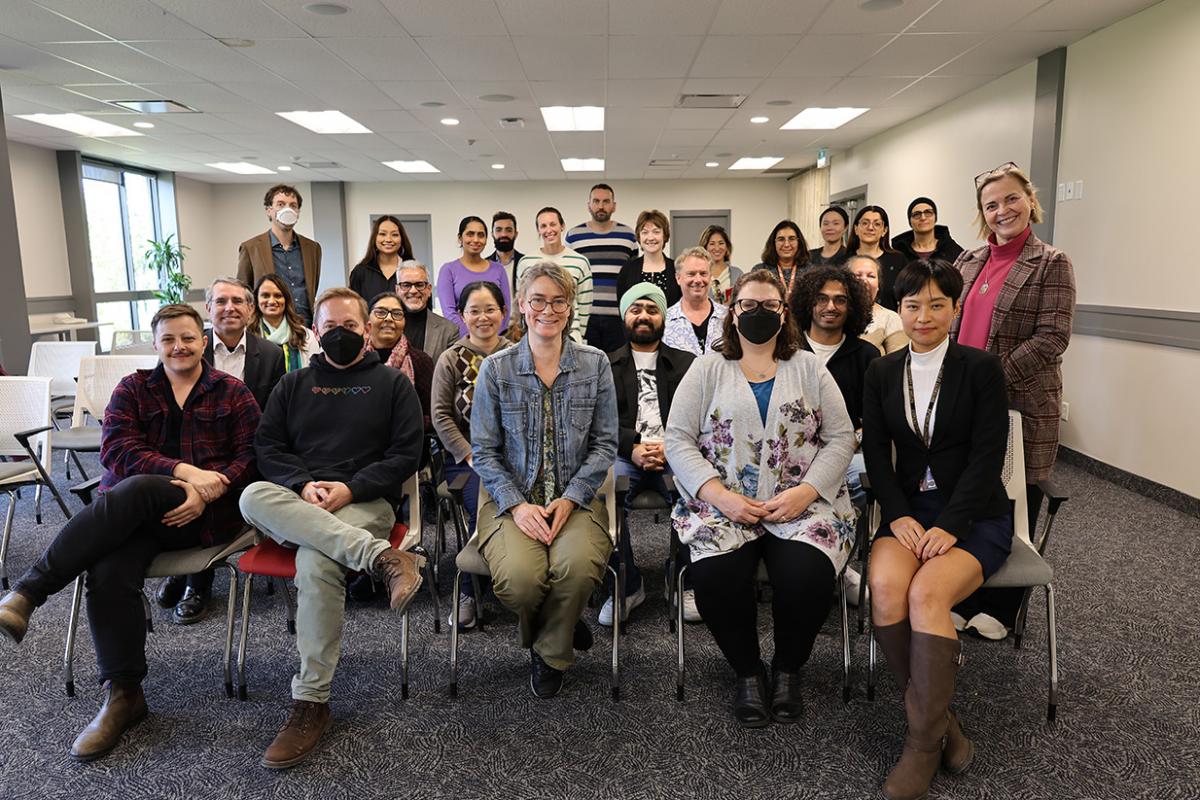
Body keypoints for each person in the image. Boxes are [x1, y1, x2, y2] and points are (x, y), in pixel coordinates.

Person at [0, 304, 260, 761]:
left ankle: (29, 592)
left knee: (136, 489)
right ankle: (124, 696)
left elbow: (252, 458)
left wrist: (206, 492)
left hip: (204, 522)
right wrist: (183, 473)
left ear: (203, 341)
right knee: (108, 565)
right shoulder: (133, 388)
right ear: (155, 345)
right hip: (137, 520)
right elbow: (117, 450)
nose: (178, 347)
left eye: (187, 337)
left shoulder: (233, 393)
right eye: (167, 339)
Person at [238, 287, 426, 769]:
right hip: (302, 499)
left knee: (317, 558)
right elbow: (269, 449)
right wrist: (303, 487)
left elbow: (407, 455)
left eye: (350, 326)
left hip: (364, 502)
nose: (340, 334)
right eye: (331, 327)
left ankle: (310, 702)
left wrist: (350, 488)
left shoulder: (391, 384)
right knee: (251, 495)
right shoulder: (293, 384)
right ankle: (381, 559)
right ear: (315, 331)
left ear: (366, 329)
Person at [665, 270, 857, 729]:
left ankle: (788, 669)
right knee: (713, 580)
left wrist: (807, 491)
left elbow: (840, 437)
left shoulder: (809, 367)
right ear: (733, 314)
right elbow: (678, 440)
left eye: (769, 306)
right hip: (725, 505)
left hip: (802, 505)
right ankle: (748, 673)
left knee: (808, 579)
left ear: (784, 313)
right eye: (748, 305)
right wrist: (719, 496)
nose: (758, 313)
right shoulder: (707, 368)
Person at [861, 260, 1012, 800]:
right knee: (885, 589)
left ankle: (921, 747)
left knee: (927, 593)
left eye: (936, 305)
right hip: (907, 509)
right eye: (912, 305)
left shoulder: (980, 369)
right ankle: (942, 723)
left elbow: (987, 455)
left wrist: (952, 524)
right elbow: (876, 455)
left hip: (974, 514)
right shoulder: (881, 371)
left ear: (954, 307)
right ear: (898, 310)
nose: (923, 316)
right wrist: (896, 512)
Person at [470, 262, 617, 699]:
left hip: (578, 500)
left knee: (574, 571)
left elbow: (605, 445)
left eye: (558, 301)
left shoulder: (595, 364)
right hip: (509, 501)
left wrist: (571, 499)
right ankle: (565, 625)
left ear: (570, 308)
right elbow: (484, 452)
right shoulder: (495, 370)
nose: (547, 310)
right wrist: (517, 505)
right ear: (521, 304)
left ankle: (550, 649)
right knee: (519, 579)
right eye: (538, 299)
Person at [950, 162, 1076, 640]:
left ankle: (1001, 608)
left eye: (1010, 199)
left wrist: (988, 379)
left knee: (1012, 498)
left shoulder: (1052, 262)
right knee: (967, 494)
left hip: (1021, 404)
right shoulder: (967, 261)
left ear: (1029, 200)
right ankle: (963, 593)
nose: (1002, 210)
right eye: (991, 204)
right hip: (965, 404)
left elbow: (1052, 338)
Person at [154, 277, 285, 626]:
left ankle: (196, 581)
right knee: (180, 484)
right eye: (221, 301)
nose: (230, 308)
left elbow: (271, 418)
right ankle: (183, 571)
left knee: (206, 487)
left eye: (238, 301)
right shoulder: (189, 348)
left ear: (250, 310)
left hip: (242, 454)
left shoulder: (271, 354)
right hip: (191, 455)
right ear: (208, 310)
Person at [604, 283, 696, 626]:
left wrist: (670, 446)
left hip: (677, 451)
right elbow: (600, 420)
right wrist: (633, 446)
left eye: (651, 309)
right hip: (626, 453)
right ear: (624, 316)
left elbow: (697, 417)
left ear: (663, 317)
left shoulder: (687, 364)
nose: (643, 315)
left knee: (695, 493)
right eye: (635, 309)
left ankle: (684, 579)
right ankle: (626, 586)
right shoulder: (605, 364)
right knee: (603, 497)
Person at [431, 281, 514, 629]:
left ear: (503, 312)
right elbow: (440, 414)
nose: (483, 317)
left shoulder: (517, 354)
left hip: (513, 455)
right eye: (474, 311)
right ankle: (468, 588)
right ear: (462, 315)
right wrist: (468, 454)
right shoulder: (451, 358)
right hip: (466, 459)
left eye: (490, 309)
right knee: (486, 503)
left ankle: (515, 575)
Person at [565, 183, 638, 353]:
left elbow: (633, 277)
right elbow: (568, 278)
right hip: (586, 316)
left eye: (606, 201)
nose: (601, 206)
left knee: (618, 367)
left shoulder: (628, 236)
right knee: (588, 367)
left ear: (614, 205)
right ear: (588, 205)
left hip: (618, 317)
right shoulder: (574, 236)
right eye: (596, 201)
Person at [237, 184, 322, 326]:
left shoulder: (312, 248)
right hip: (267, 325)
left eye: (293, 205)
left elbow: (313, 287)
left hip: (305, 324)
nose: (288, 209)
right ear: (269, 211)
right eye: (281, 204)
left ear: (298, 212)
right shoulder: (251, 248)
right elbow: (243, 292)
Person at [517, 207, 592, 343]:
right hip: (535, 335)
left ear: (562, 226)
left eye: (553, 224)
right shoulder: (525, 263)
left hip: (571, 335)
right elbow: (522, 301)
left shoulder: (580, 262)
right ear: (538, 230)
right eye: (543, 226)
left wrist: (578, 333)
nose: (549, 230)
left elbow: (585, 303)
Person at [368, 292, 434, 430]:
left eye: (397, 314)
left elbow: (430, 413)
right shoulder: (356, 359)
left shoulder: (421, 361)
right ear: (367, 320)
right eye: (381, 312)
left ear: (404, 322)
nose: (388, 318)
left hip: (409, 441)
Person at [437, 216, 511, 337]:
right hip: (463, 343)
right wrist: (473, 338)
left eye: (481, 235)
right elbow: (449, 312)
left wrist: (493, 337)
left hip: (496, 342)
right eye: (470, 234)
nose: (476, 239)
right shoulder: (448, 270)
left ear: (486, 239)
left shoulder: (498, 269)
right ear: (460, 238)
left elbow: (505, 309)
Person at [663, 247, 728, 356]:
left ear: (710, 277)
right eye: (691, 274)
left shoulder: (728, 318)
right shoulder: (664, 321)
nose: (698, 280)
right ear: (678, 278)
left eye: (703, 274)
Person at [254, 273, 321, 372]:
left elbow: (314, 375)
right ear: (256, 299)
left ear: (286, 299)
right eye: (265, 296)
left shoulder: (307, 336)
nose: (272, 301)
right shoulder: (247, 335)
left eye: (278, 296)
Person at [845, 206, 907, 312]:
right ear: (856, 229)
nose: (870, 228)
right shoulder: (843, 260)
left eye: (877, 224)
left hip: (889, 324)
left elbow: (906, 296)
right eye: (865, 223)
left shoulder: (898, 260)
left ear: (884, 230)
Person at [395, 262, 459, 364]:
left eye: (419, 285)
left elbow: (452, 374)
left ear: (429, 289)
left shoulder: (449, 330)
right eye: (406, 285)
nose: (413, 290)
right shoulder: (385, 325)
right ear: (397, 290)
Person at [616, 209, 680, 309]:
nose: (650, 237)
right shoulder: (628, 269)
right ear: (639, 236)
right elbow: (622, 306)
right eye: (645, 232)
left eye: (656, 232)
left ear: (664, 235)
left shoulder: (676, 268)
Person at [849, 255, 909, 355]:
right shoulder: (835, 315)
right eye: (857, 275)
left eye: (871, 276)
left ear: (878, 286)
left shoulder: (890, 318)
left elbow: (898, 363)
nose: (864, 281)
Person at [348, 215, 414, 301]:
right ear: (375, 238)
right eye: (382, 234)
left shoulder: (413, 270)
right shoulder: (360, 272)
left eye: (394, 235)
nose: (388, 239)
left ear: (402, 239)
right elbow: (353, 307)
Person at [892, 197, 964, 264]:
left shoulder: (952, 250)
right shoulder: (898, 253)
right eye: (916, 214)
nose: (923, 218)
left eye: (928, 213)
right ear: (910, 221)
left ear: (935, 218)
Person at [752, 220, 809, 299]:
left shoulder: (811, 271)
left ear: (799, 242)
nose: (786, 244)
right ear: (773, 243)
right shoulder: (760, 271)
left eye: (791, 239)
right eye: (781, 239)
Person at [484, 211, 525, 297]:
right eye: (498, 230)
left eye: (509, 230)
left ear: (516, 234)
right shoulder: (483, 265)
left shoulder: (525, 262)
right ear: (492, 234)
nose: (503, 234)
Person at [700, 224, 742, 305]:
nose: (717, 248)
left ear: (727, 247)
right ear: (705, 247)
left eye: (721, 243)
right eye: (712, 244)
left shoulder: (737, 274)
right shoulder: (699, 274)